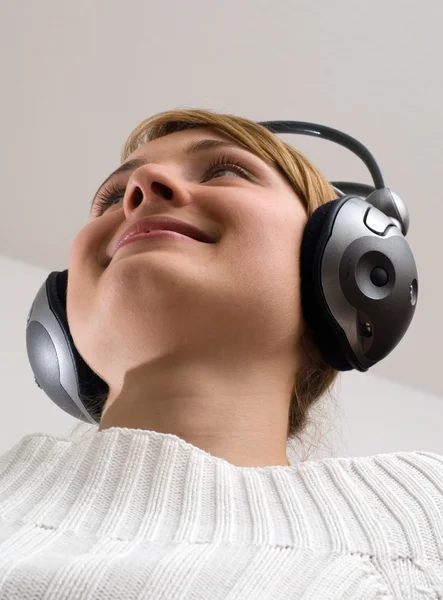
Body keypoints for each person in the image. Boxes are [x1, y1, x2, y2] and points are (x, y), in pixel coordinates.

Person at [0, 108, 441, 599]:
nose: (142, 185)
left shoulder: (423, 520)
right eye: (109, 199)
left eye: (225, 170)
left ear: (347, 265)